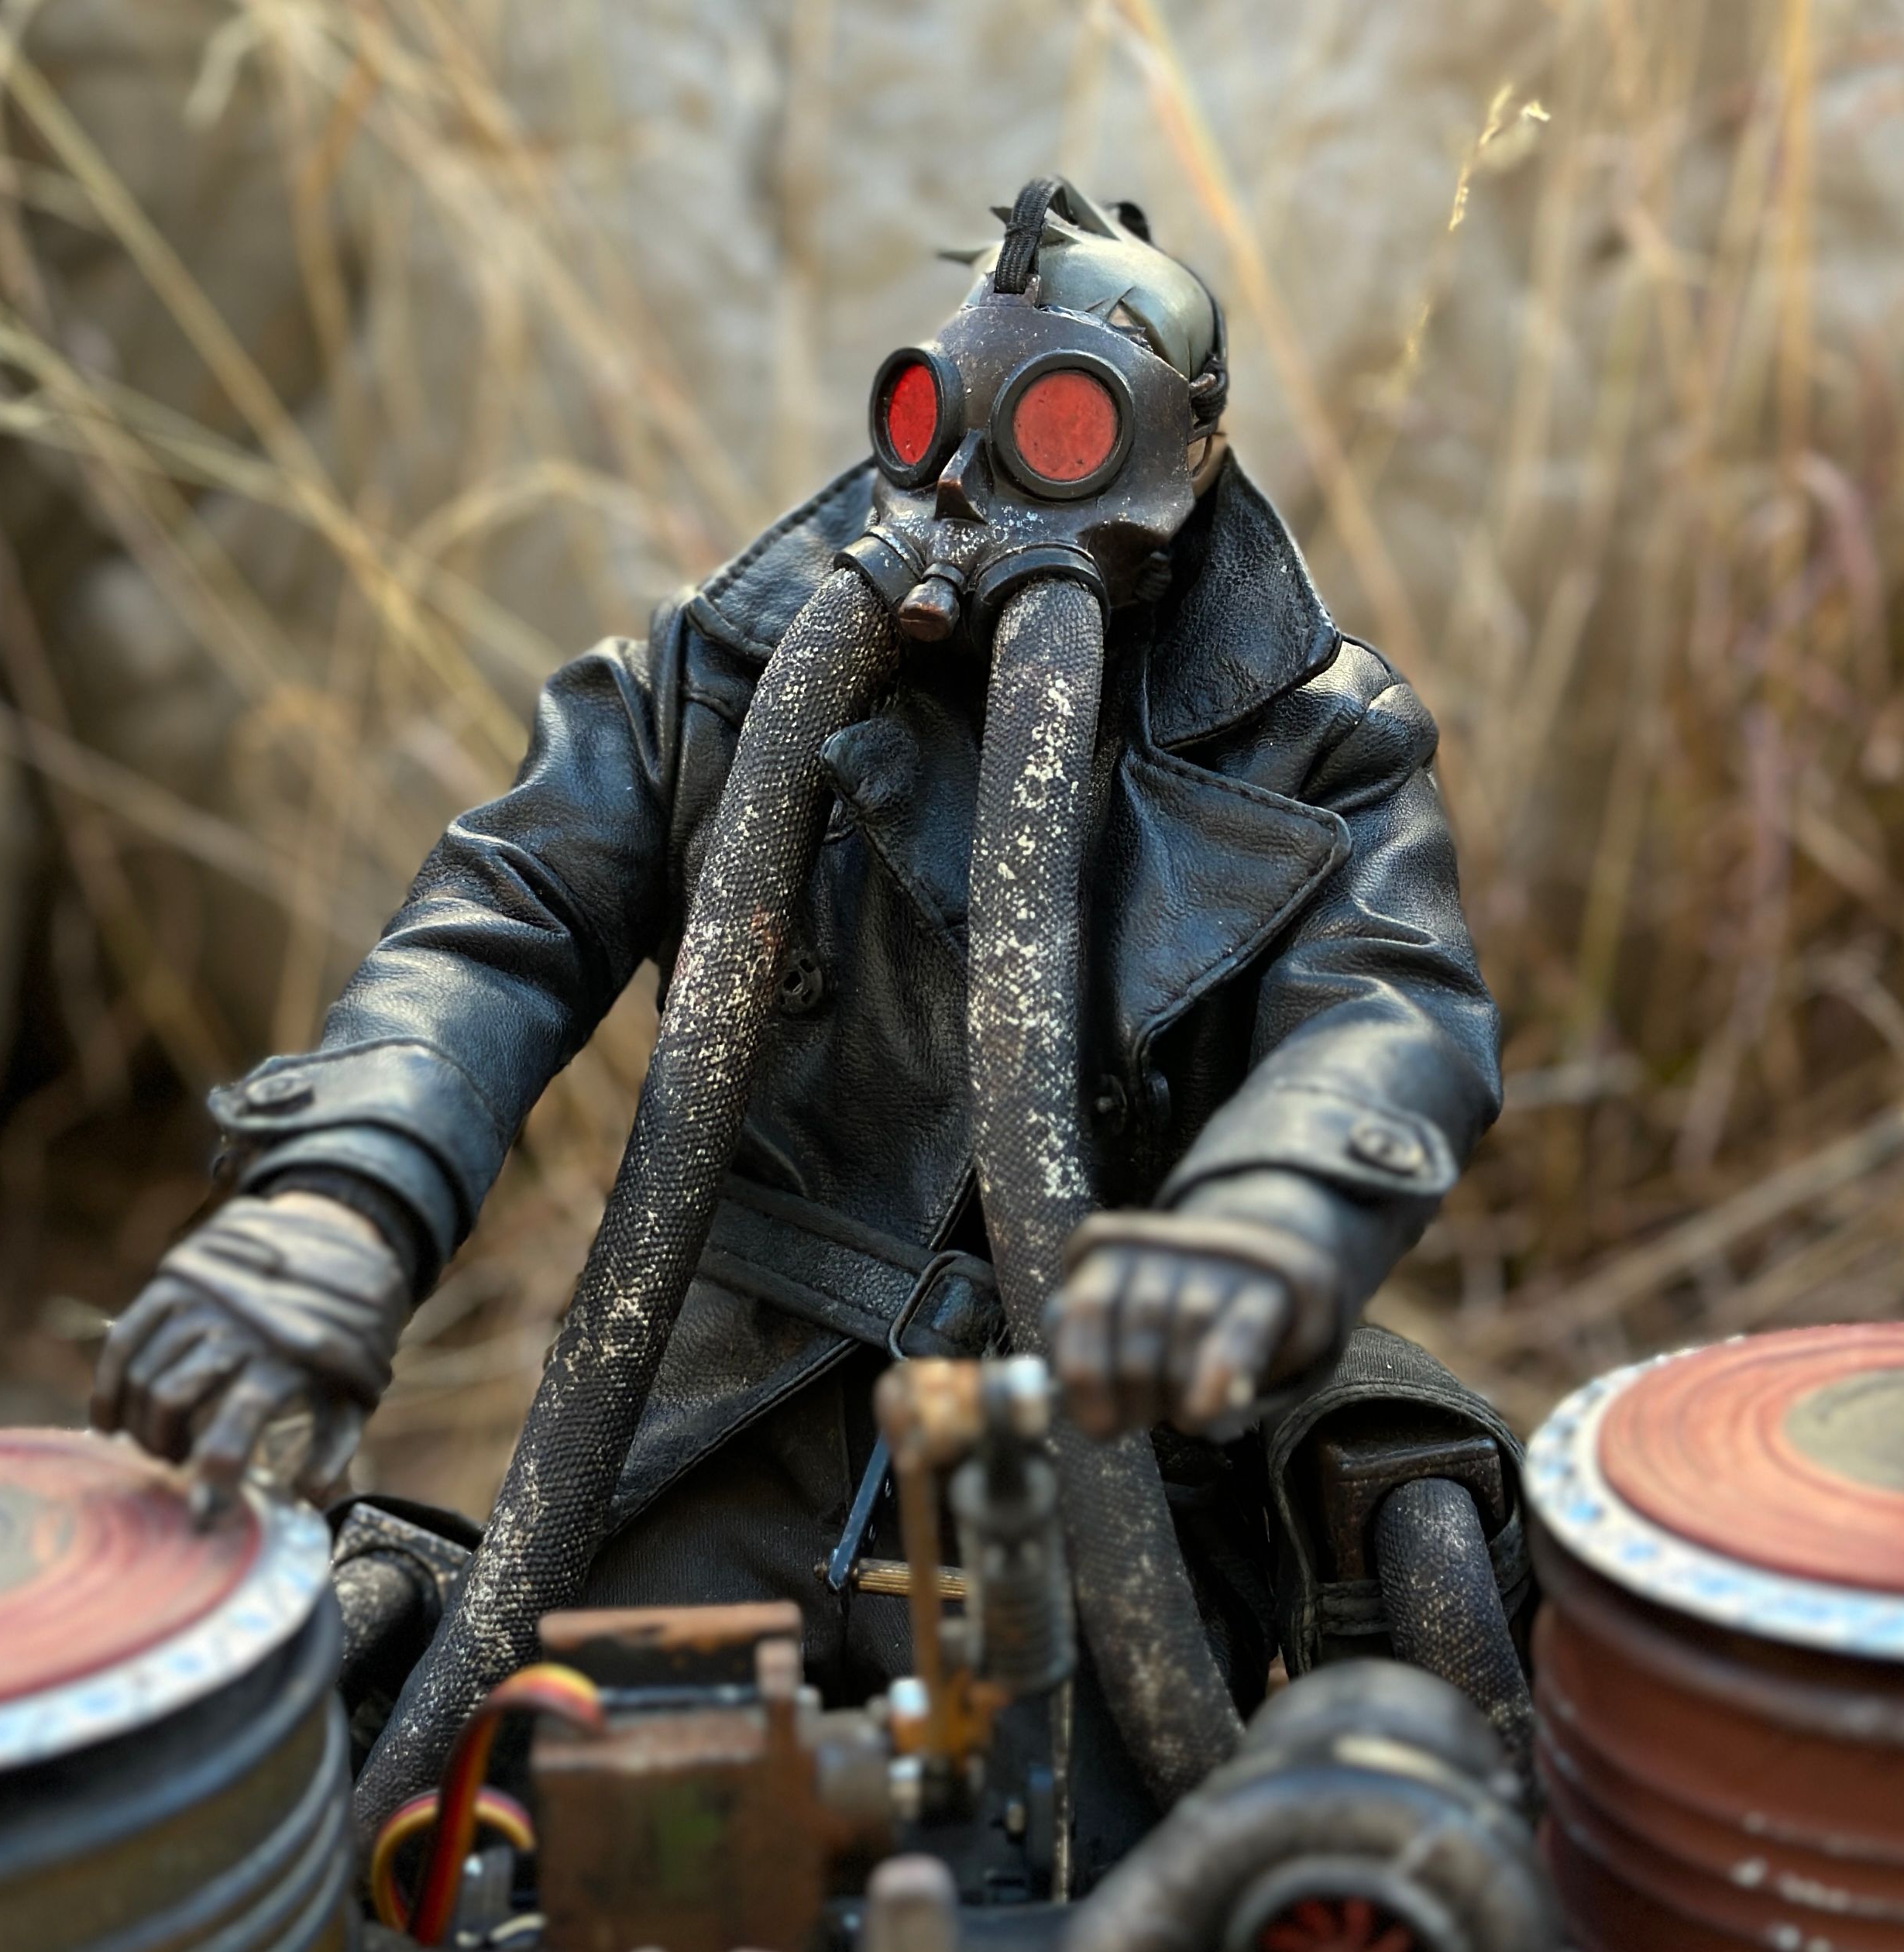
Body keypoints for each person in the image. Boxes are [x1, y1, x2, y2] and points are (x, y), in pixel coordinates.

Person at [92, 180, 1521, 1876]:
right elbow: (501, 920)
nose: (976, 486)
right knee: (557, 1845)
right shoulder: (723, 672)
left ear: (1185, 453)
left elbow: (1390, 1013)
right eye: (935, 419)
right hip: (718, 1432)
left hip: (1094, 1473)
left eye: (1061, 429)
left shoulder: (1320, 747)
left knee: (1104, 1885)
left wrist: (1268, 1224)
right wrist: (341, 1200)